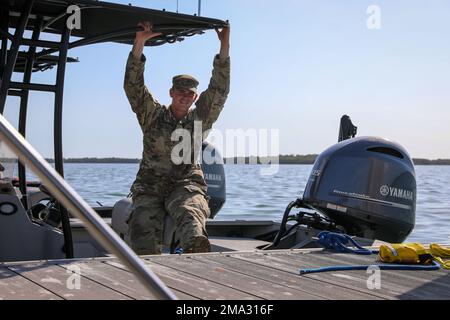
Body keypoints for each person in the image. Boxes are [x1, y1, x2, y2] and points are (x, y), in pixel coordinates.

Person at [123, 21, 230, 255]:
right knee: (142, 226)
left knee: (192, 217)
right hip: (150, 185)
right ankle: (148, 274)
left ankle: (196, 262)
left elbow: (219, 91)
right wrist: (139, 43)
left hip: (186, 184)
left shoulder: (200, 119)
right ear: (171, 92)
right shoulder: (152, 115)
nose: (184, 96)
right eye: (180, 92)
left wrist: (224, 48)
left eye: (189, 94)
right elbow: (134, 88)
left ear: (195, 97)